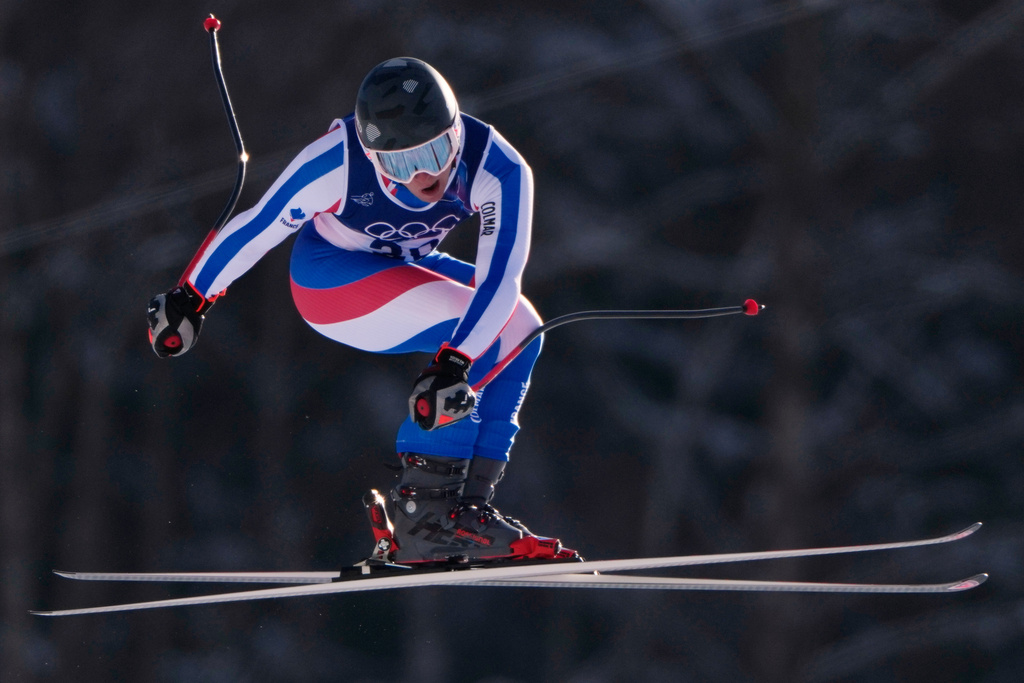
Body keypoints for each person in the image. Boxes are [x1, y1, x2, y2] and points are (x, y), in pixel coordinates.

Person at [147, 57, 575, 563]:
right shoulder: (337, 161)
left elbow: (501, 277)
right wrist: (191, 297)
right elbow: (261, 225)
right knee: (470, 329)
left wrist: (455, 362)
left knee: (523, 329)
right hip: (330, 280)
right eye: (399, 164)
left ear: (456, 131)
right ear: (374, 157)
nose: (424, 175)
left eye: (437, 151)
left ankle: (466, 509)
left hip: (407, 264)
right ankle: (424, 514)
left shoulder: (497, 167)